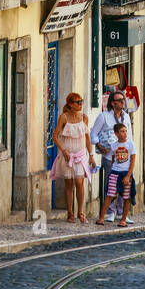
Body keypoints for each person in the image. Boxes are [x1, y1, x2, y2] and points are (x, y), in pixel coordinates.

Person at [90, 90, 136, 223]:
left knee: (125, 185)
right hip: (109, 156)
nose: (123, 102)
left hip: (125, 157)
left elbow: (130, 136)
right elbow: (93, 134)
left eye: (123, 100)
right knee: (111, 185)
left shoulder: (126, 117)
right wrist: (98, 146)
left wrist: (131, 151)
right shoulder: (104, 116)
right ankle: (110, 212)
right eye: (120, 100)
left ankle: (122, 214)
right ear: (113, 103)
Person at [50, 92, 95, 222]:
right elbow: (55, 136)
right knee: (68, 184)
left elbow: (87, 137)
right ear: (70, 104)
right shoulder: (63, 117)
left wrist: (90, 155)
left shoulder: (84, 117)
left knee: (80, 183)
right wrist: (63, 150)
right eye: (78, 102)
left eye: (81, 102)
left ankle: (80, 212)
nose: (80, 104)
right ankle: (70, 212)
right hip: (67, 156)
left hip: (80, 155)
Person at [96, 123, 135, 228]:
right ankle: (101, 218)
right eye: (122, 131)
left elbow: (132, 162)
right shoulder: (114, 145)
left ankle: (123, 219)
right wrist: (113, 170)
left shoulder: (131, 145)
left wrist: (128, 176)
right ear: (116, 134)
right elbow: (114, 160)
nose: (125, 133)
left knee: (126, 197)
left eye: (126, 131)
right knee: (110, 195)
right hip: (115, 173)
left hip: (126, 173)